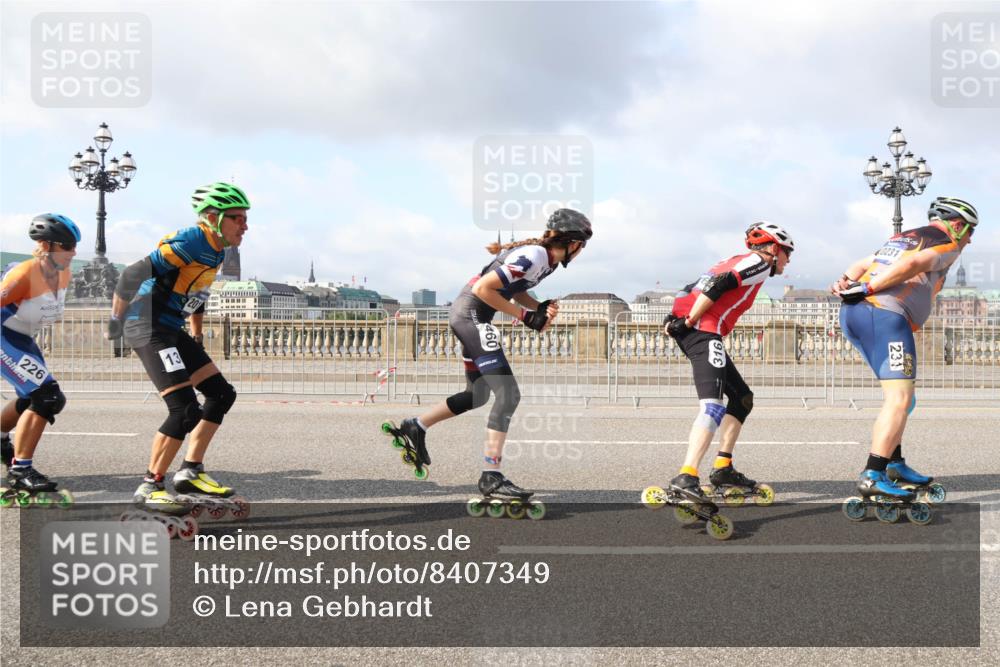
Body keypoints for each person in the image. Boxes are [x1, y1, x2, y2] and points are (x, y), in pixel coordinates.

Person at [384, 208, 592, 507]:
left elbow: (514, 289)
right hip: (472, 314)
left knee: (478, 394)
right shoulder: (535, 255)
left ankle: (416, 425)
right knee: (508, 394)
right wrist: (524, 316)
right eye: (582, 245)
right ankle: (491, 476)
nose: (582, 251)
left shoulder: (548, 262)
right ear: (572, 242)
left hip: (472, 315)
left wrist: (537, 308)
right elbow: (484, 288)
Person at [106, 182, 249, 516]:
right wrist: (116, 323)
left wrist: (196, 336)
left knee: (220, 393)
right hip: (146, 324)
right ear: (214, 217)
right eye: (237, 218)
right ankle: (149, 486)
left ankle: (190, 472)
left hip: (171, 327)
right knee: (184, 409)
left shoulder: (217, 248)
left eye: (244, 218)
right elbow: (131, 274)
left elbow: (197, 292)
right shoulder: (191, 240)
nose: (245, 225)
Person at [832, 196, 977, 502]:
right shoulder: (946, 244)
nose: (971, 240)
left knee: (902, 399)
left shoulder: (905, 237)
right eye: (971, 231)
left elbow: (863, 263)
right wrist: (871, 288)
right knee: (900, 398)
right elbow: (913, 265)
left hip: (856, 315)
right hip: (884, 316)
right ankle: (873, 474)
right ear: (958, 225)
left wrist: (847, 280)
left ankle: (893, 463)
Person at [664, 222, 794, 501]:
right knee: (712, 407)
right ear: (773, 248)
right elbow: (720, 285)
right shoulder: (760, 262)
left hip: (698, 329)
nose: (788, 259)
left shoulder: (731, 259)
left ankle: (723, 467)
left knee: (742, 398)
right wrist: (687, 321)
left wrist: (672, 319)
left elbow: (689, 288)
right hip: (704, 330)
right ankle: (686, 475)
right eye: (787, 252)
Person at [0, 214, 81, 506]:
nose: (73, 252)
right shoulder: (24, 274)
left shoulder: (64, 273)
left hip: (21, 336)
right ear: (45, 245)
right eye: (67, 246)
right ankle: (20, 470)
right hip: (3, 335)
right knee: (46, 396)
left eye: (74, 246)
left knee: (33, 399)